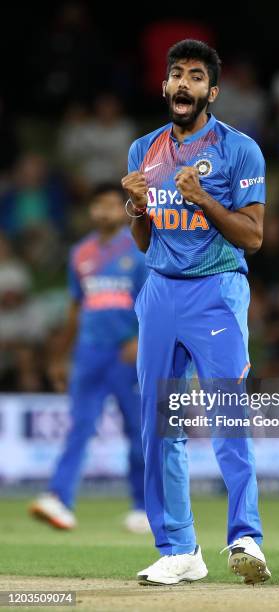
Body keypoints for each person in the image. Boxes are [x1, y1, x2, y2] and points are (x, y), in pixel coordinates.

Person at [121, 39, 270, 585]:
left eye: (195, 77)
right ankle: (179, 548)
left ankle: (245, 537)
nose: (184, 84)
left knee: (228, 416)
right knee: (160, 426)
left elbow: (253, 236)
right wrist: (136, 206)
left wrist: (205, 198)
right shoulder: (144, 149)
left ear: (212, 90)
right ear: (165, 86)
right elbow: (143, 240)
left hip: (216, 290)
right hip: (160, 292)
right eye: (176, 74)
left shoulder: (239, 150)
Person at [29, 183, 149, 533]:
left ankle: (142, 506)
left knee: (137, 432)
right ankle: (59, 500)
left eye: (112, 205)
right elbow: (75, 308)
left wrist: (142, 339)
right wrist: (59, 356)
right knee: (79, 427)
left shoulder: (139, 249)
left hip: (127, 352)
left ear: (124, 208)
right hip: (89, 352)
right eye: (97, 205)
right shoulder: (80, 253)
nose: (104, 211)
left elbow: (155, 301)